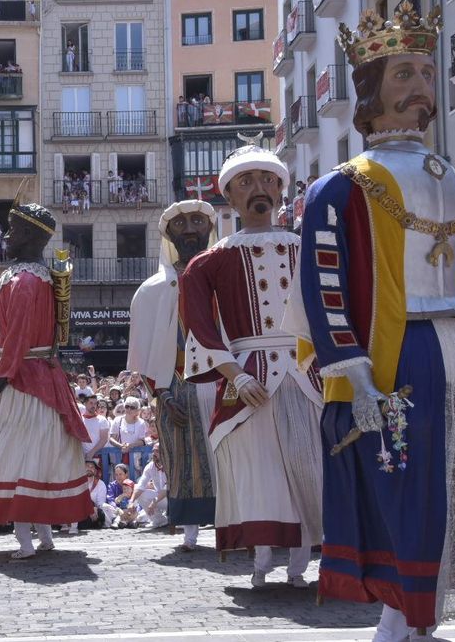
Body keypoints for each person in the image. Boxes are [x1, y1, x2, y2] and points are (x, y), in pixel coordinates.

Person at [284, 2, 455, 636]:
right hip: (396, 359)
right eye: (404, 74)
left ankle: (421, 617)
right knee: (403, 493)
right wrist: (351, 373)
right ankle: (398, 617)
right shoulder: (340, 187)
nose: (420, 88)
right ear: (373, 88)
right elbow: (324, 293)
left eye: (426, 74)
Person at [180, 136, 323, 589]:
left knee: (310, 466)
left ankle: (301, 561)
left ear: (282, 190)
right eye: (246, 181)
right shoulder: (207, 263)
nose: (258, 188)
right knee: (258, 469)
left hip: (308, 375)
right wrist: (236, 377)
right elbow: (200, 329)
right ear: (230, 195)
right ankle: (262, 557)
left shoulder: (313, 251)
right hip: (248, 378)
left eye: (267, 179)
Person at [0, 197, 92, 559]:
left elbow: (14, 342)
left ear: (30, 236)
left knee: (14, 458)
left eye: (13, 230)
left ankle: (25, 540)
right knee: (38, 458)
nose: (6, 236)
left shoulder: (22, 281)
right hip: (46, 378)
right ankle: (43, 535)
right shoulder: (42, 279)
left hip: (20, 383)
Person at [127, 199, 218, 551]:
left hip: (219, 378)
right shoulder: (150, 291)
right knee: (180, 458)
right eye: (182, 228)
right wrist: (161, 394)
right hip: (175, 383)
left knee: (226, 455)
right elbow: (147, 354)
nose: (191, 233)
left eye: (198, 224)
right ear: (170, 237)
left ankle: (233, 525)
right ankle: (191, 530)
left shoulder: (224, 279)